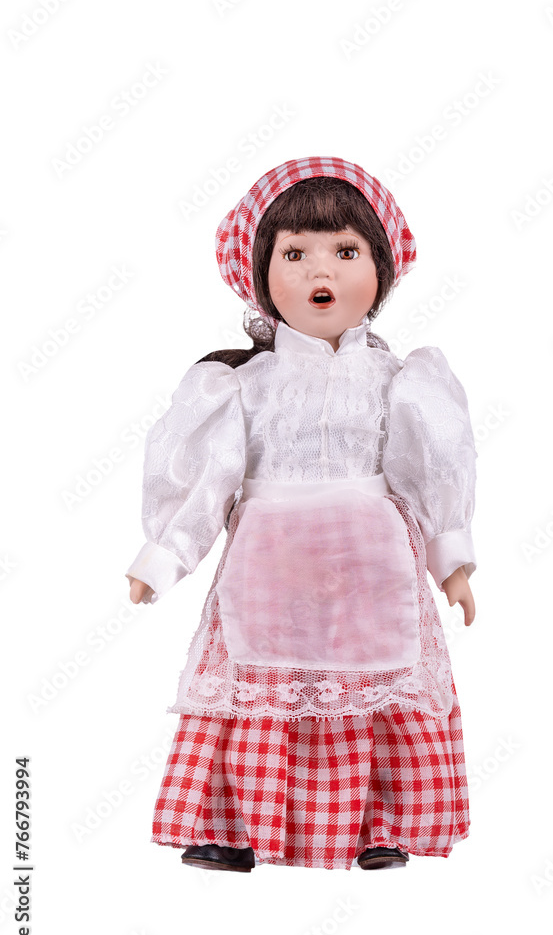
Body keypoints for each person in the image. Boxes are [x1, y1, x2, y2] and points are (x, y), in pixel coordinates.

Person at [125, 156, 478, 872]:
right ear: (261, 277)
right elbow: (208, 480)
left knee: (377, 687)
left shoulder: (402, 383)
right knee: (253, 689)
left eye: (347, 251)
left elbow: (429, 470)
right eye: (296, 253)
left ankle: (381, 823)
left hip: (371, 569)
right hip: (269, 571)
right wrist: (163, 557)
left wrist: (452, 562)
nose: (324, 271)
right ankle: (230, 825)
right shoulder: (238, 387)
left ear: (381, 270)